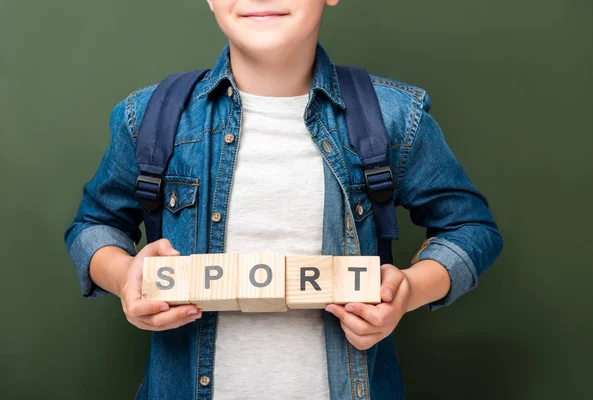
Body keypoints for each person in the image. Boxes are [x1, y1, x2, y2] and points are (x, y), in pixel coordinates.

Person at [63, 1, 503, 399]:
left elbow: (470, 227)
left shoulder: (394, 117)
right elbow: (94, 225)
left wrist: (407, 292)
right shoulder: (151, 117)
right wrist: (125, 278)